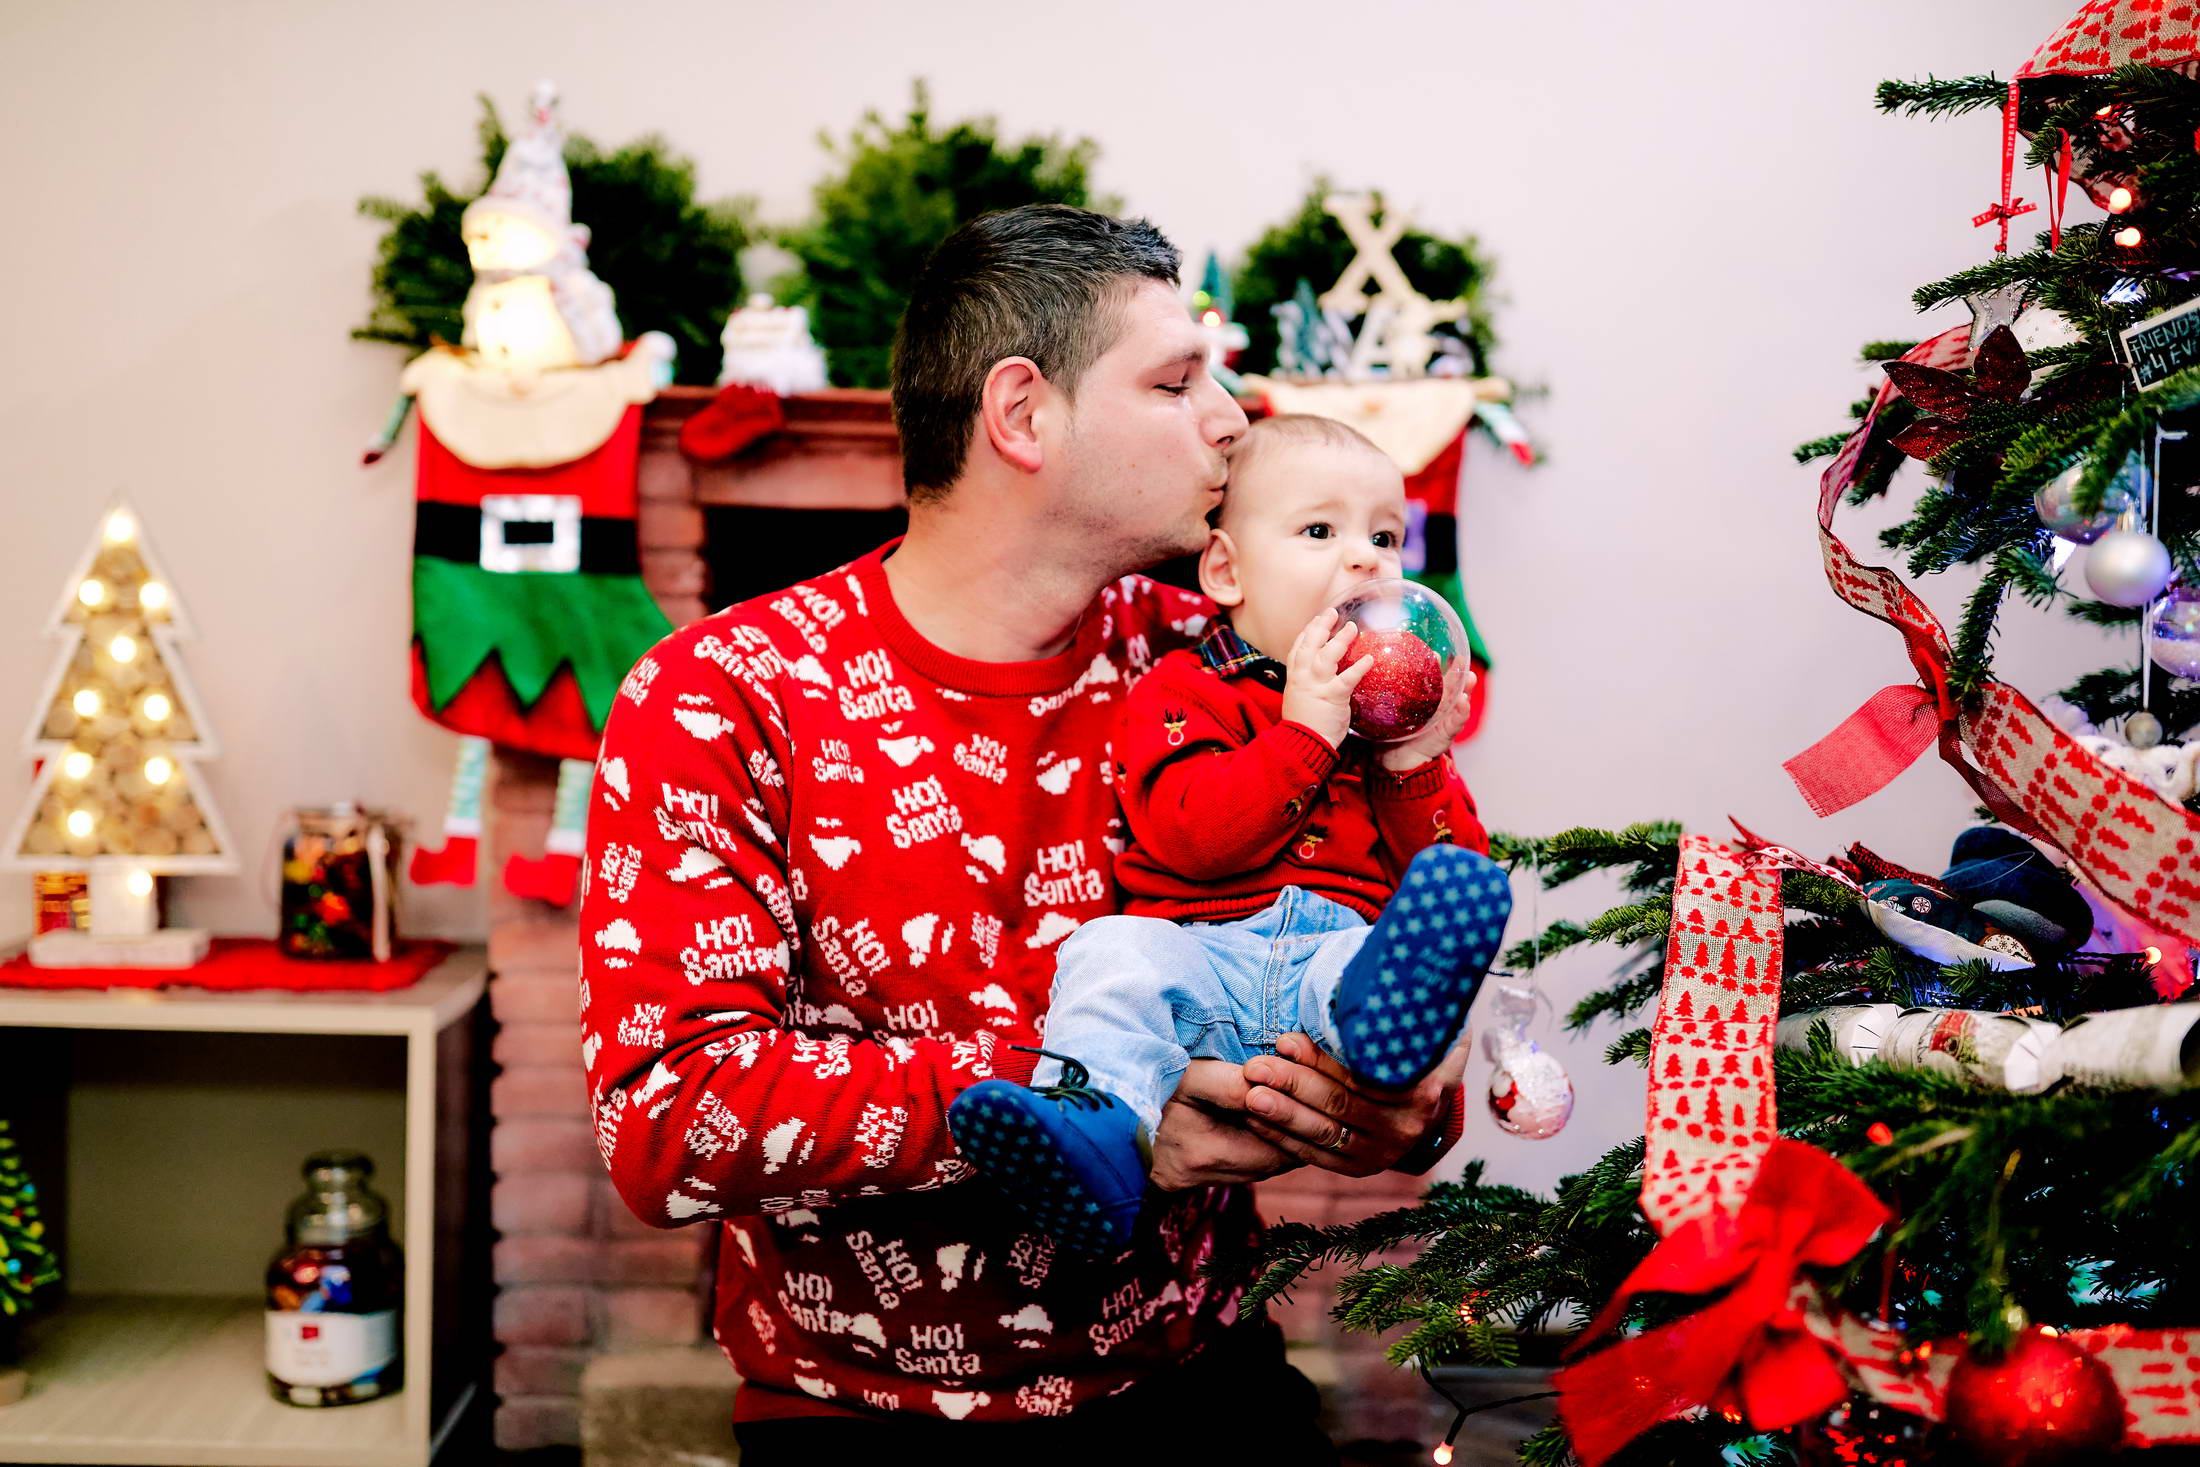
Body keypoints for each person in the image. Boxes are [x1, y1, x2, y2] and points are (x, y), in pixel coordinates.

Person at [579, 205, 1469, 1463]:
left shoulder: (1227, 672)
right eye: (1176, 380)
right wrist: (1107, 1106)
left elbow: (1385, 959)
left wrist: (1397, 1105)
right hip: (861, 1420)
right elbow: (663, 1119)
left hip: (1209, 1387)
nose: (1231, 419)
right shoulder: (724, 694)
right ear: (1022, 414)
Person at [951, 414, 1509, 1255]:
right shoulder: (1185, 690)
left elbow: (1452, 885)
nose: (1366, 558)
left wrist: (1414, 765)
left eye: (1385, 536)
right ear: (1227, 570)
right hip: (1201, 966)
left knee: (1393, 958)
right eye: (1320, 530)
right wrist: (1307, 735)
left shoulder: (1391, 731)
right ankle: (1099, 1132)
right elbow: (1193, 836)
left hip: (1337, 975)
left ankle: (1386, 1045)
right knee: (1109, 955)